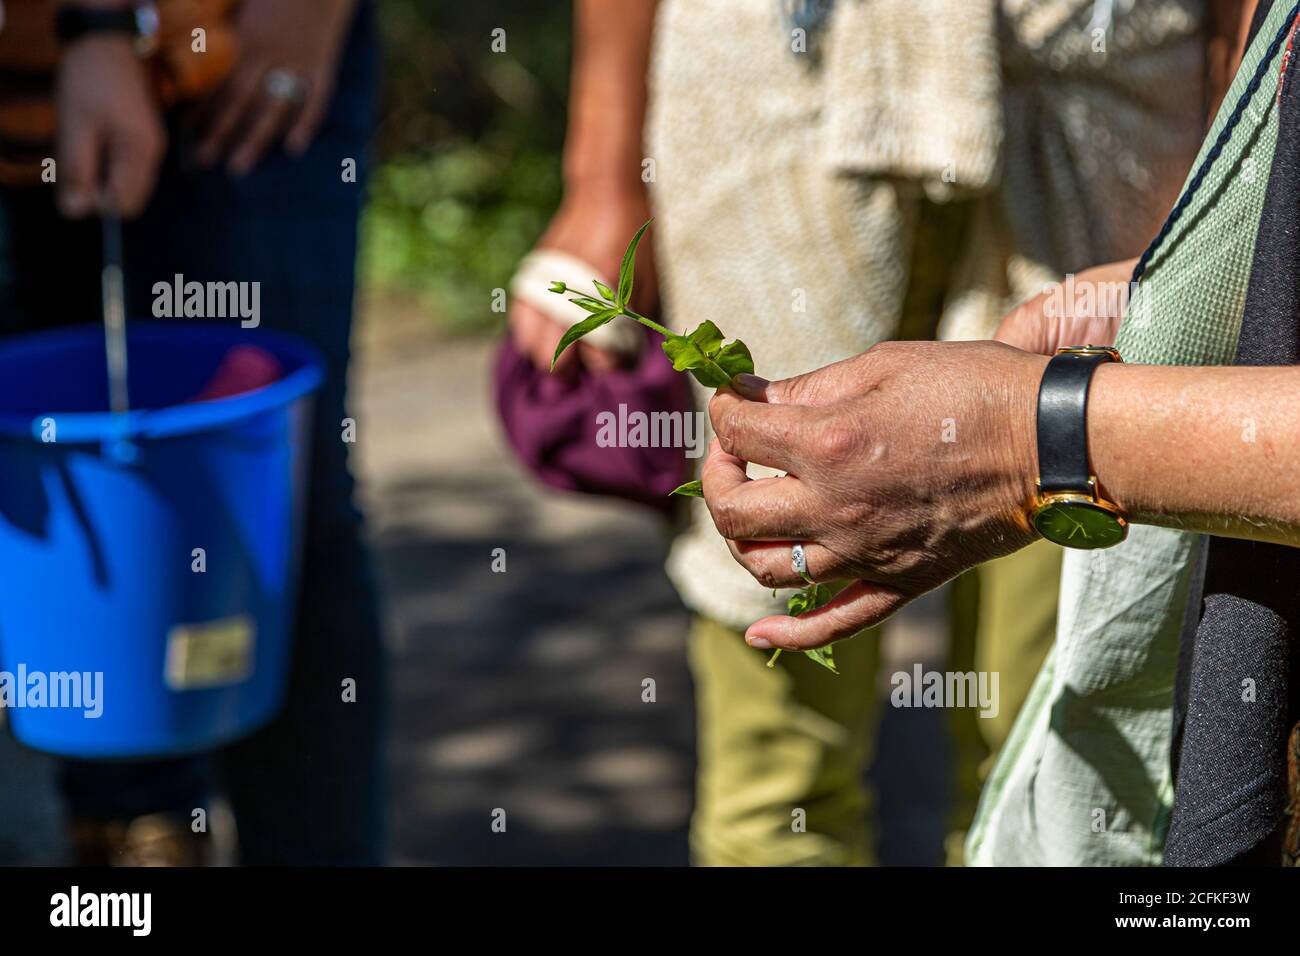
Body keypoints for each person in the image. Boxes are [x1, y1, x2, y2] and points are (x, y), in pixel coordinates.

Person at [508, 0, 1232, 864]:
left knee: (1063, 735)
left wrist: (1230, 166)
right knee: (779, 755)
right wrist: (602, 175)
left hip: (1102, 102)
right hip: (772, 107)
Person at [698, 0, 1300, 867]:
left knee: (1045, 745)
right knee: (780, 772)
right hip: (793, 103)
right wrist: (1172, 292)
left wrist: (1036, 441)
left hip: (1085, 101)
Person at [0, 0, 384, 864]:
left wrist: (99, 27)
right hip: (31, 81)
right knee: (70, 506)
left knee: (268, 507)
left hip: (223, 57)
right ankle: (131, 848)